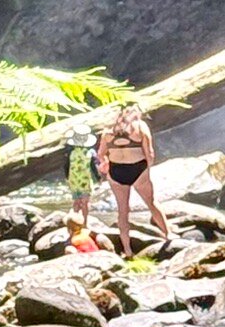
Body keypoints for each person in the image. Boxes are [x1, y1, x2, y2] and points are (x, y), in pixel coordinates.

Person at [95, 101, 170, 257]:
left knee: (123, 211)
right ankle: (168, 234)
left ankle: (128, 250)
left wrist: (106, 164)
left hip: (116, 172)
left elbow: (101, 154)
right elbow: (149, 152)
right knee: (151, 202)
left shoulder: (108, 131)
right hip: (137, 169)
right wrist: (147, 170)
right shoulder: (140, 126)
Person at [65, 121, 96, 225]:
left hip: (73, 180)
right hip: (85, 181)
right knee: (85, 202)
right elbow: (93, 167)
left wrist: (66, 177)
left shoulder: (70, 152)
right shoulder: (90, 152)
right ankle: (85, 222)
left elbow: (66, 165)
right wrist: (99, 177)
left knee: (76, 202)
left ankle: (74, 222)